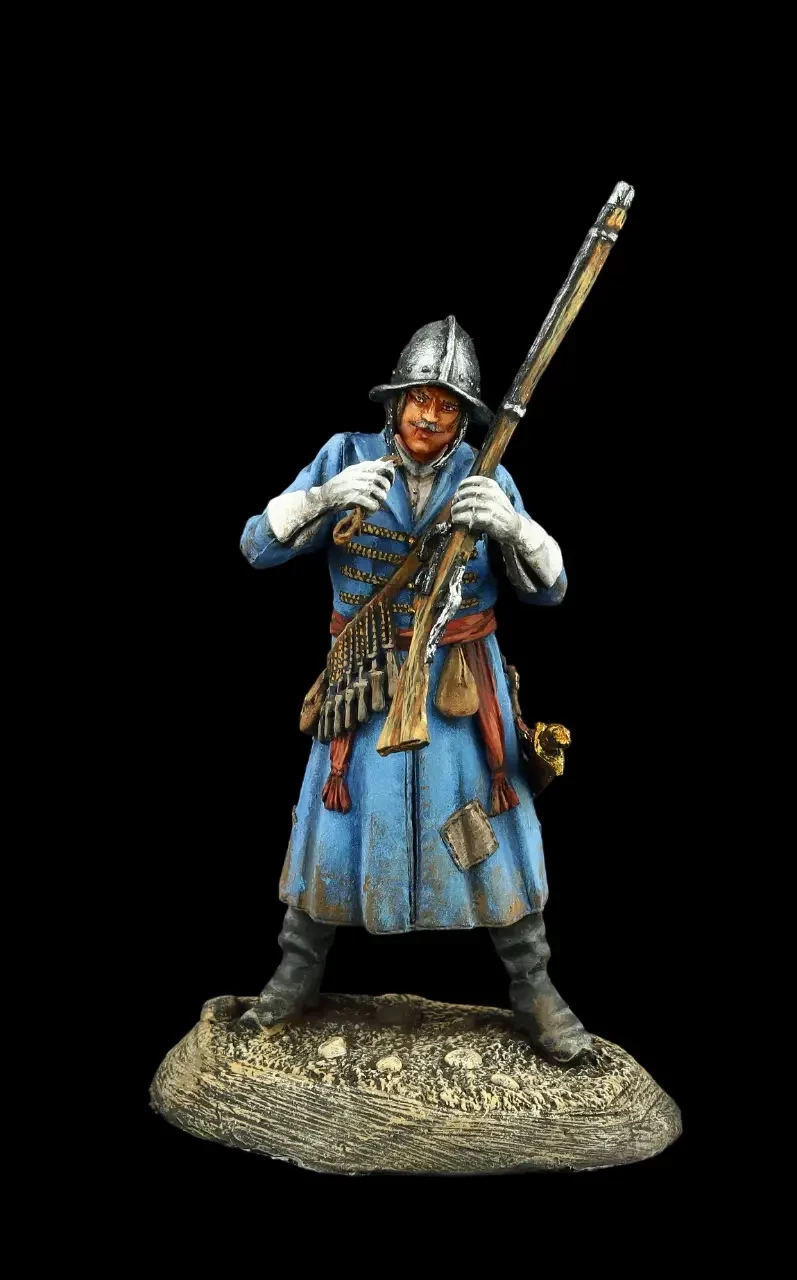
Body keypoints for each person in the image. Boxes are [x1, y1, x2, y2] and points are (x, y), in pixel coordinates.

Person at [237, 316, 591, 1064]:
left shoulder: (487, 474)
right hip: (363, 682)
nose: (429, 416)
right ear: (396, 400)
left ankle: (533, 986)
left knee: (490, 833)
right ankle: (296, 974)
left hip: (457, 689)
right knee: (334, 826)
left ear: (463, 418)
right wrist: (322, 496)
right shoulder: (345, 456)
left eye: (447, 405)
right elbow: (256, 546)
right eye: (419, 399)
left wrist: (512, 528)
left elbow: (551, 587)